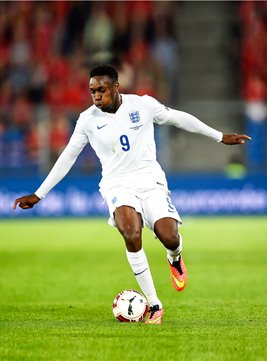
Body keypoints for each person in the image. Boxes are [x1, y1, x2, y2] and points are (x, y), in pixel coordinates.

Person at [13, 64, 251, 324]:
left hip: (150, 179)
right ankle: (155, 304)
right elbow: (68, 157)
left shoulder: (143, 105)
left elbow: (179, 118)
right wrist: (39, 194)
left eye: (101, 90)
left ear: (116, 87)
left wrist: (219, 136)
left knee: (169, 236)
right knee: (131, 233)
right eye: (92, 91)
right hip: (117, 185)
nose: (96, 96)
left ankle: (175, 257)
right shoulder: (87, 120)